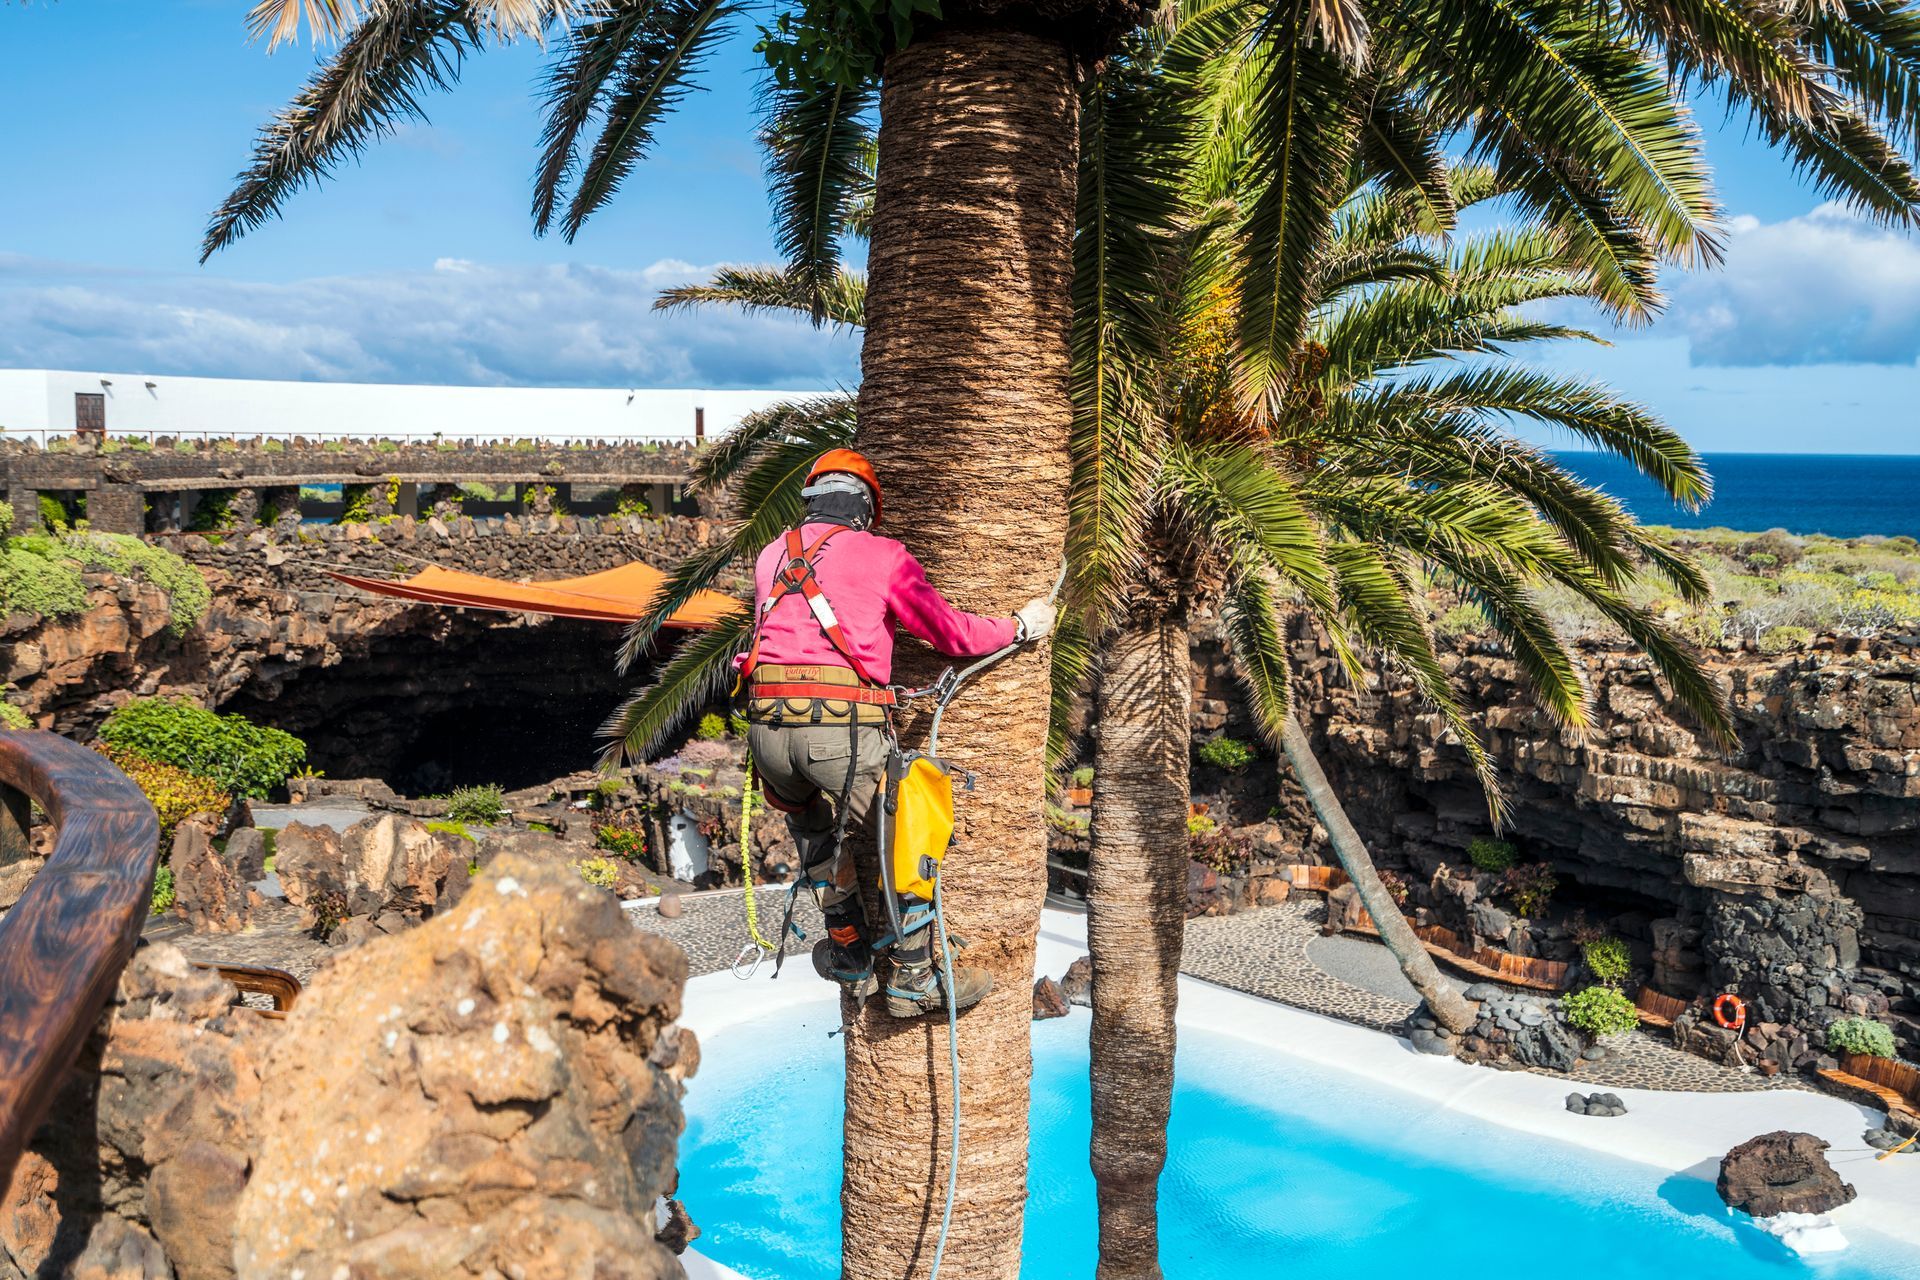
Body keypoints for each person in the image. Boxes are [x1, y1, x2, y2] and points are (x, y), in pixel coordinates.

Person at [737, 448, 1056, 1018]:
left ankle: (850, 952)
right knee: (905, 828)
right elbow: (950, 633)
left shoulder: (770, 556)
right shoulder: (882, 555)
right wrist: (1021, 624)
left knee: (813, 836)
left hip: (767, 735)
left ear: (809, 501)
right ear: (866, 508)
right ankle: (913, 977)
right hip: (841, 732)